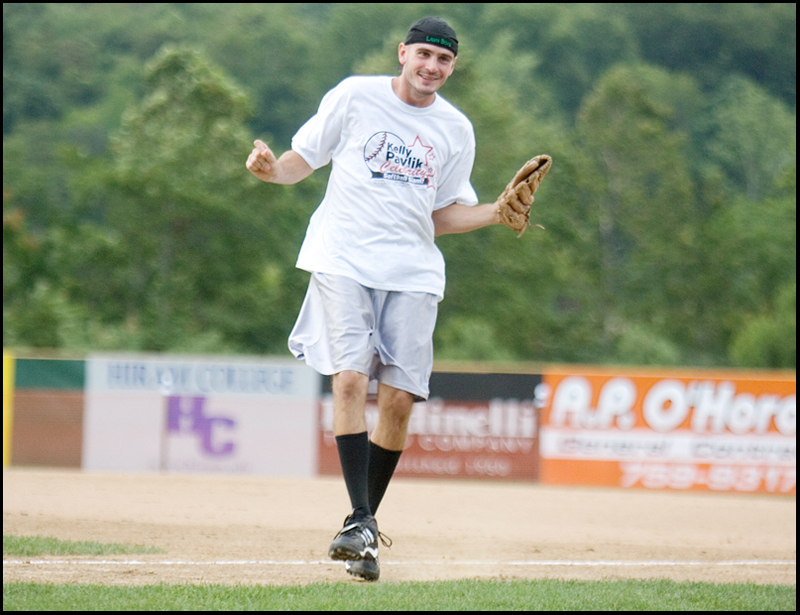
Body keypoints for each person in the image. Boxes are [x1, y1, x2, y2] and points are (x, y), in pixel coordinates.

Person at [246, 17, 504, 581]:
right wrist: (271, 173)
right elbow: (301, 160)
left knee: (398, 401)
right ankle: (362, 519)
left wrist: (496, 211)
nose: (432, 67)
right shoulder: (355, 96)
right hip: (343, 258)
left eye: (444, 61)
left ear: (452, 67)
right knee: (348, 380)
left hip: (412, 270)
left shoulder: (456, 129)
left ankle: (361, 530)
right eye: (424, 56)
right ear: (403, 53)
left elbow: (442, 215)